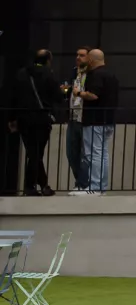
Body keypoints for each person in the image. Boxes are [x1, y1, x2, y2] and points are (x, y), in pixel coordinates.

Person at [9, 50, 64, 196]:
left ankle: (43, 185)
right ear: (48, 60)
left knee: (33, 152)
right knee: (36, 153)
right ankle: (31, 187)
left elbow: (13, 96)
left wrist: (12, 118)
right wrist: (65, 91)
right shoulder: (48, 74)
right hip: (41, 119)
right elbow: (58, 97)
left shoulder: (21, 73)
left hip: (23, 119)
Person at [80, 48, 119, 194]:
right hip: (108, 120)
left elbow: (93, 95)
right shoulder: (112, 75)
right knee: (102, 154)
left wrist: (78, 93)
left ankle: (95, 186)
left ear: (91, 60)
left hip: (94, 120)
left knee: (93, 153)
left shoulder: (95, 75)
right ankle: (101, 186)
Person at [60, 47, 89, 190]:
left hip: (84, 118)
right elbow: (69, 89)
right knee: (71, 153)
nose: (78, 57)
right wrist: (65, 90)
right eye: (77, 55)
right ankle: (81, 182)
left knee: (85, 154)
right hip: (72, 117)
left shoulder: (91, 74)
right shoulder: (73, 72)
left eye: (82, 55)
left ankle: (83, 184)